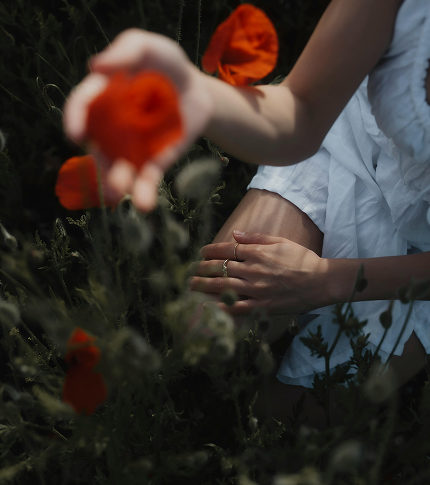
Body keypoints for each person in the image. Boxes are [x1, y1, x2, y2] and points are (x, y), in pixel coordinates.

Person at [64, 0, 430, 426]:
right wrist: (191, 90)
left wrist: (324, 280)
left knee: (280, 416)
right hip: (356, 142)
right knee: (207, 331)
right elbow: (303, 111)